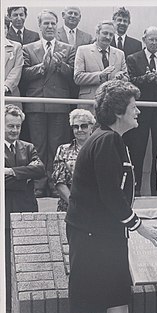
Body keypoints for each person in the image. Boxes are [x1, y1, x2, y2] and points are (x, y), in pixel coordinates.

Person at [65, 80, 157, 313]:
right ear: (119, 111)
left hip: (107, 233)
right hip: (90, 234)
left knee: (118, 294)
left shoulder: (112, 139)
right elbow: (110, 195)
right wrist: (140, 226)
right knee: (84, 298)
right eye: (134, 106)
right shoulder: (107, 140)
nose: (138, 111)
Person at [21, 9, 76, 198]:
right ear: (40, 26)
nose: (50, 27)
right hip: (36, 104)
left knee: (56, 146)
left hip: (59, 104)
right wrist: (42, 67)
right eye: (46, 23)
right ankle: (38, 185)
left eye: (53, 23)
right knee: (38, 146)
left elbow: (73, 77)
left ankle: (55, 185)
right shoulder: (28, 48)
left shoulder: (67, 49)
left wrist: (61, 65)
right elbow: (24, 75)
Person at [4, 104, 45, 313]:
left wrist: (11, 172)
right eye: (10, 126)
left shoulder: (28, 147)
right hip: (5, 212)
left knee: (26, 262)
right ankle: (8, 311)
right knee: (6, 265)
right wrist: (24, 177)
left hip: (26, 211)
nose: (14, 130)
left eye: (18, 126)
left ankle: (24, 310)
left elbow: (40, 170)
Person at [125, 26, 157, 196]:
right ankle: (136, 189)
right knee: (137, 151)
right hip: (140, 112)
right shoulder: (133, 58)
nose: (154, 43)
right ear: (144, 39)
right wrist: (145, 79)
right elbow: (130, 80)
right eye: (151, 39)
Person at [74, 20, 129, 110]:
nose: (108, 37)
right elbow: (77, 77)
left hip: (112, 104)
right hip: (90, 104)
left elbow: (126, 78)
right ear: (97, 33)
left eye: (111, 34)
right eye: (105, 33)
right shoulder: (83, 50)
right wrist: (100, 75)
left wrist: (121, 77)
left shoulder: (120, 54)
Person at [52, 109, 96, 212]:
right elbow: (59, 181)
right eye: (75, 127)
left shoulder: (100, 149)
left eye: (84, 126)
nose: (79, 129)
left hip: (96, 208)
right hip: (69, 208)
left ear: (91, 127)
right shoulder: (63, 149)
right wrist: (75, 205)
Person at [4, 16, 24, 108]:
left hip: (9, 94)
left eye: (3, 27)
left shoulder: (16, 47)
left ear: (7, 29)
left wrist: (6, 86)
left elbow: (17, 69)